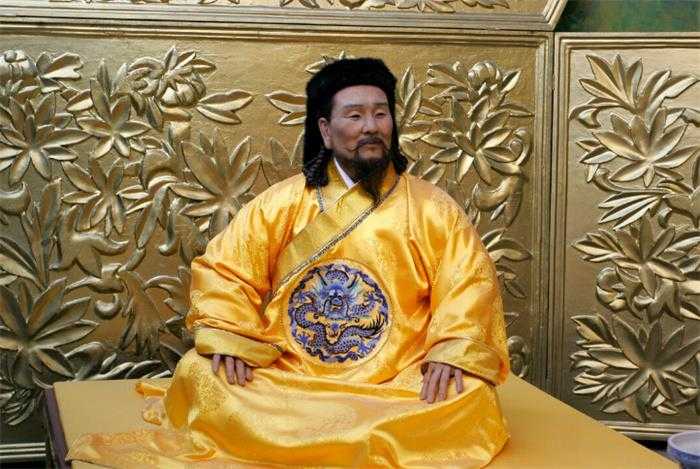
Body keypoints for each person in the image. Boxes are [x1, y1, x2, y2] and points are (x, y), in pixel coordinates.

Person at [68, 57, 510, 468]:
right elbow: (225, 269)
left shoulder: (433, 208)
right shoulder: (281, 202)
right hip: (290, 372)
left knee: (470, 394)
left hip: (393, 378)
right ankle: (354, 436)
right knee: (201, 373)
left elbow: (468, 281)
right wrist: (231, 332)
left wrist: (453, 348)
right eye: (355, 116)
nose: (371, 127)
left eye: (381, 114)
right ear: (325, 130)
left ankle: (300, 436)